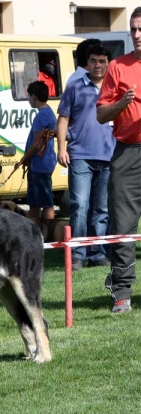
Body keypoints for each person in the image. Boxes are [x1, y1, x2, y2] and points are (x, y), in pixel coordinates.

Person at [96, 7, 141, 313]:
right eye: (133, 30)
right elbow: (100, 114)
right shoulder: (117, 67)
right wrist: (121, 103)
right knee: (123, 225)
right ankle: (122, 292)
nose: (137, 35)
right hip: (128, 153)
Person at [57, 43, 115, 271]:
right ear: (87, 63)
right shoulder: (74, 87)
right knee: (79, 205)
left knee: (102, 209)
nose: (98, 65)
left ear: (108, 63)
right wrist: (61, 149)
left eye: (102, 61)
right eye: (93, 61)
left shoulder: (115, 87)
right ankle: (78, 255)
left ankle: (98, 252)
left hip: (109, 156)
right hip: (80, 155)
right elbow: (63, 119)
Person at [24, 80, 57, 226]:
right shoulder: (47, 112)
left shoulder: (41, 116)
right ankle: (34, 230)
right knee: (34, 201)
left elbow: (36, 144)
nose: (28, 100)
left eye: (29, 96)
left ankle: (48, 231)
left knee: (45, 201)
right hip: (38, 164)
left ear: (34, 97)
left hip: (41, 165)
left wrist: (24, 158)